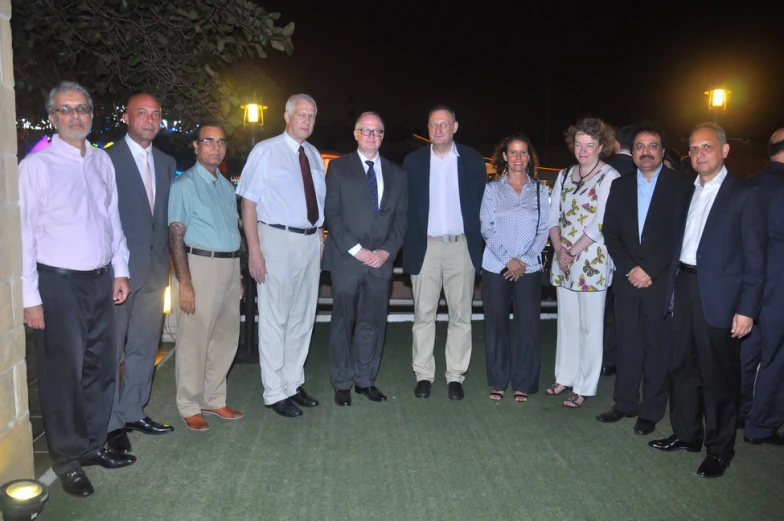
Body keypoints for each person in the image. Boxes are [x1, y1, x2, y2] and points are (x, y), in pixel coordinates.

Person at [19, 81, 135, 498]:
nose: (75, 116)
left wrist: (120, 271)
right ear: (52, 117)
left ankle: (91, 445)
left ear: (91, 113)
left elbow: (112, 222)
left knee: (100, 370)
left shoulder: (102, 161)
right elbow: (23, 235)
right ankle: (67, 460)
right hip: (58, 284)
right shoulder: (37, 166)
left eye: (82, 108)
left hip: (100, 280)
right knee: (61, 376)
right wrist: (30, 297)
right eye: (65, 110)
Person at [648, 122, 764, 479]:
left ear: (724, 150)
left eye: (707, 147)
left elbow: (756, 258)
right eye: (694, 149)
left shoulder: (744, 194)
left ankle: (719, 450)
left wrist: (747, 308)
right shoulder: (687, 191)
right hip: (683, 286)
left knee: (719, 378)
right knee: (681, 367)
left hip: (722, 298)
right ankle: (686, 434)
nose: (699, 154)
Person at [598, 124, 690, 435]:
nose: (646, 151)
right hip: (627, 281)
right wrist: (629, 268)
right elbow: (610, 232)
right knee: (627, 345)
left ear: (663, 152)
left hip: (660, 282)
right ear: (633, 152)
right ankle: (624, 403)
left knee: (657, 347)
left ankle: (650, 410)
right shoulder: (620, 186)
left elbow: (682, 235)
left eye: (652, 145)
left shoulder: (681, 186)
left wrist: (650, 270)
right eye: (639, 146)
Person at [237, 94, 324, 418]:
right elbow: (248, 203)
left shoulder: (313, 155)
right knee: (275, 317)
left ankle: (292, 382)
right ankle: (274, 392)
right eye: (301, 114)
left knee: (303, 317)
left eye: (312, 115)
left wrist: (318, 237)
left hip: (310, 242)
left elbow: (315, 204)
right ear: (286, 116)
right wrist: (255, 251)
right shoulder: (265, 151)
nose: (307, 120)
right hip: (275, 239)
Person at [106, 94, 177, 455]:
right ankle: (109, 423)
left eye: (155, 114)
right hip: (118, 272)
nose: (149, 120)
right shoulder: (106, 159)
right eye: (141, 113)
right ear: (126, 117)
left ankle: (133, 411)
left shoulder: (166, 163)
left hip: (154, 270)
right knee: (111, 350)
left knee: (144, 346)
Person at [322, 112, 408, 406]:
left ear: (383, 136)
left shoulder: (397, 174)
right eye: (366, 130)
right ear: (356, 134)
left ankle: (365, 379)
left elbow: (401, 220)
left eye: (378, 132)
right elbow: (331, 214)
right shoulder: (338, 168)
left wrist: (385, 252)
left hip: (381, 262)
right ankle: (342, 382)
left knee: (373, 322)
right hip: (348, 259)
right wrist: (357, 250)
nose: (372, 136)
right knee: (344, 321)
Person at [402, 105, 487, 400]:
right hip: (425, 247)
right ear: (428, 129)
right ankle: (424, 374)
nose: (438, 129)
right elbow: (406, 207)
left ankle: (455, 376)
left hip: (461, 247)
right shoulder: (412, 162)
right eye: (433, 124)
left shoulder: (473, 161)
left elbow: (481, 205)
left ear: (455, 127)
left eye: (444, 124)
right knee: (423, 314)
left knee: (460, 315)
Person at [168, 121, 243, 432]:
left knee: (226, 337)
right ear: (196, 147)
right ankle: (189, 404)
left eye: (221, 142)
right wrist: (184, 282)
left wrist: (236, 275)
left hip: (229, 267)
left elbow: (231, 232)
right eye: (208, 141)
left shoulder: (225, 186)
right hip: (198, 267)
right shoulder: (184, 185)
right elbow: (175, 235)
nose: (216, 147)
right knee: (194, 340)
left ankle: (213, 398)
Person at [547, 117, 620, 408]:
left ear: (601, 146)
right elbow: (553, 217)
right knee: (566, 322)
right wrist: (559, 248)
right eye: (579, 144)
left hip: (591, 262)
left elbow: (600, 223)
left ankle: (584, 386)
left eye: (590, 145)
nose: (583, 150)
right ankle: (564, 375)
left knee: (590, 327)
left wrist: (572, 251)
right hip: (564, 260)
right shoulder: (564, 175)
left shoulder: (609, 176)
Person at [480, 134, 549, 402]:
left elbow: (543, 228)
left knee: (528, 327)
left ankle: (524, 383)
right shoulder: (492, 190)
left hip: (529, 269)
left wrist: (524, 261)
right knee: (496, 325)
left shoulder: (541, 191)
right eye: (513, 152)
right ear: (505, 157)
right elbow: (486, 226)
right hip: (496, 266)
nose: (518, 157)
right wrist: (509, 259)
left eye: (523, 153)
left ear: (529, 158)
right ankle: (498, 381)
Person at [739, 127, 784, 444]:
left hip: (749, 290)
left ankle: (739, 414)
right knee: (776, 362)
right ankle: (763, 425)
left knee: (745, 357)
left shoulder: (747, 184)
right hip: (779, 289)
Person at [601, 124, 635, 378]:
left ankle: (602, 360)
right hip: (631, 257)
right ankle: (617, 360)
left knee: (602, 312)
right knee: (625, 315)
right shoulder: (641, 172)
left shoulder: (605, 170)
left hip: (603, 252)